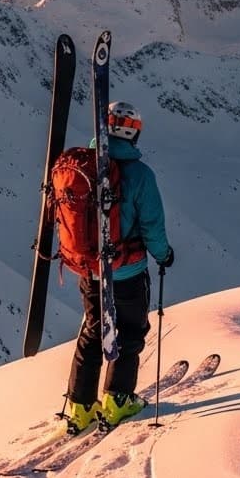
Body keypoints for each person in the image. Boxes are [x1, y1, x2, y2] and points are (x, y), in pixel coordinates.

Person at [63, 101, 174, 433]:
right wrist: (163, 255)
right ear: (133, 134)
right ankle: (117, 399)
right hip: (127, 272)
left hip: (90, 271)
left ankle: (80, 406)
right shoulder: (140, 174)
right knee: (130, 333)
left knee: (93, 331)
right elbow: (152, 225)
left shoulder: (83, 168)